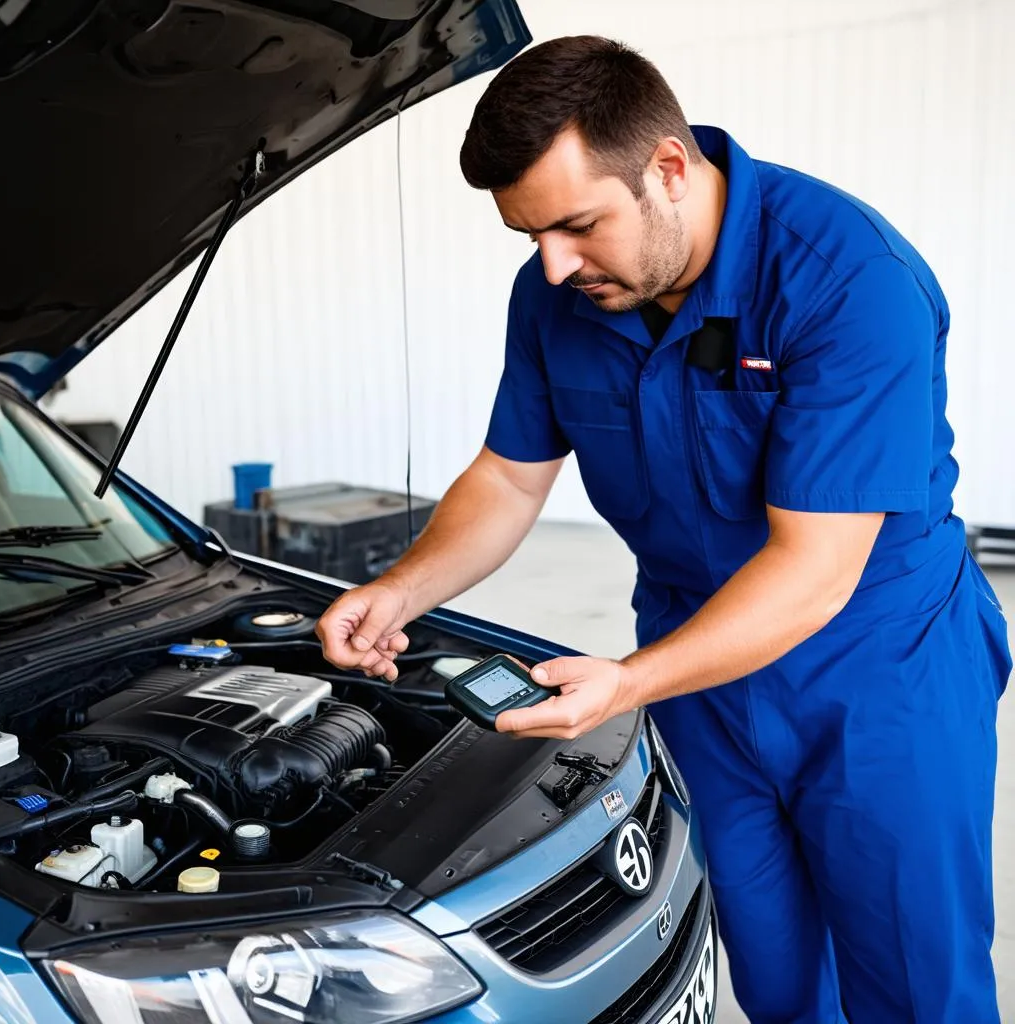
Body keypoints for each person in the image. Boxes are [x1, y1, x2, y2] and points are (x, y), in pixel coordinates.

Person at [316, 35, 1011, 1023]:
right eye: (529, 238)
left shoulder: (845, 279)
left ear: (668, 170)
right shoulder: (558, 292)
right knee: (770, 973)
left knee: (914, 982)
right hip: (703, 676)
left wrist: (627, 683)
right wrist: (400, 589)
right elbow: (510, 479)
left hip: (878, 669)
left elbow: (814, 571)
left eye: (576, 226)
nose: (554, 264)